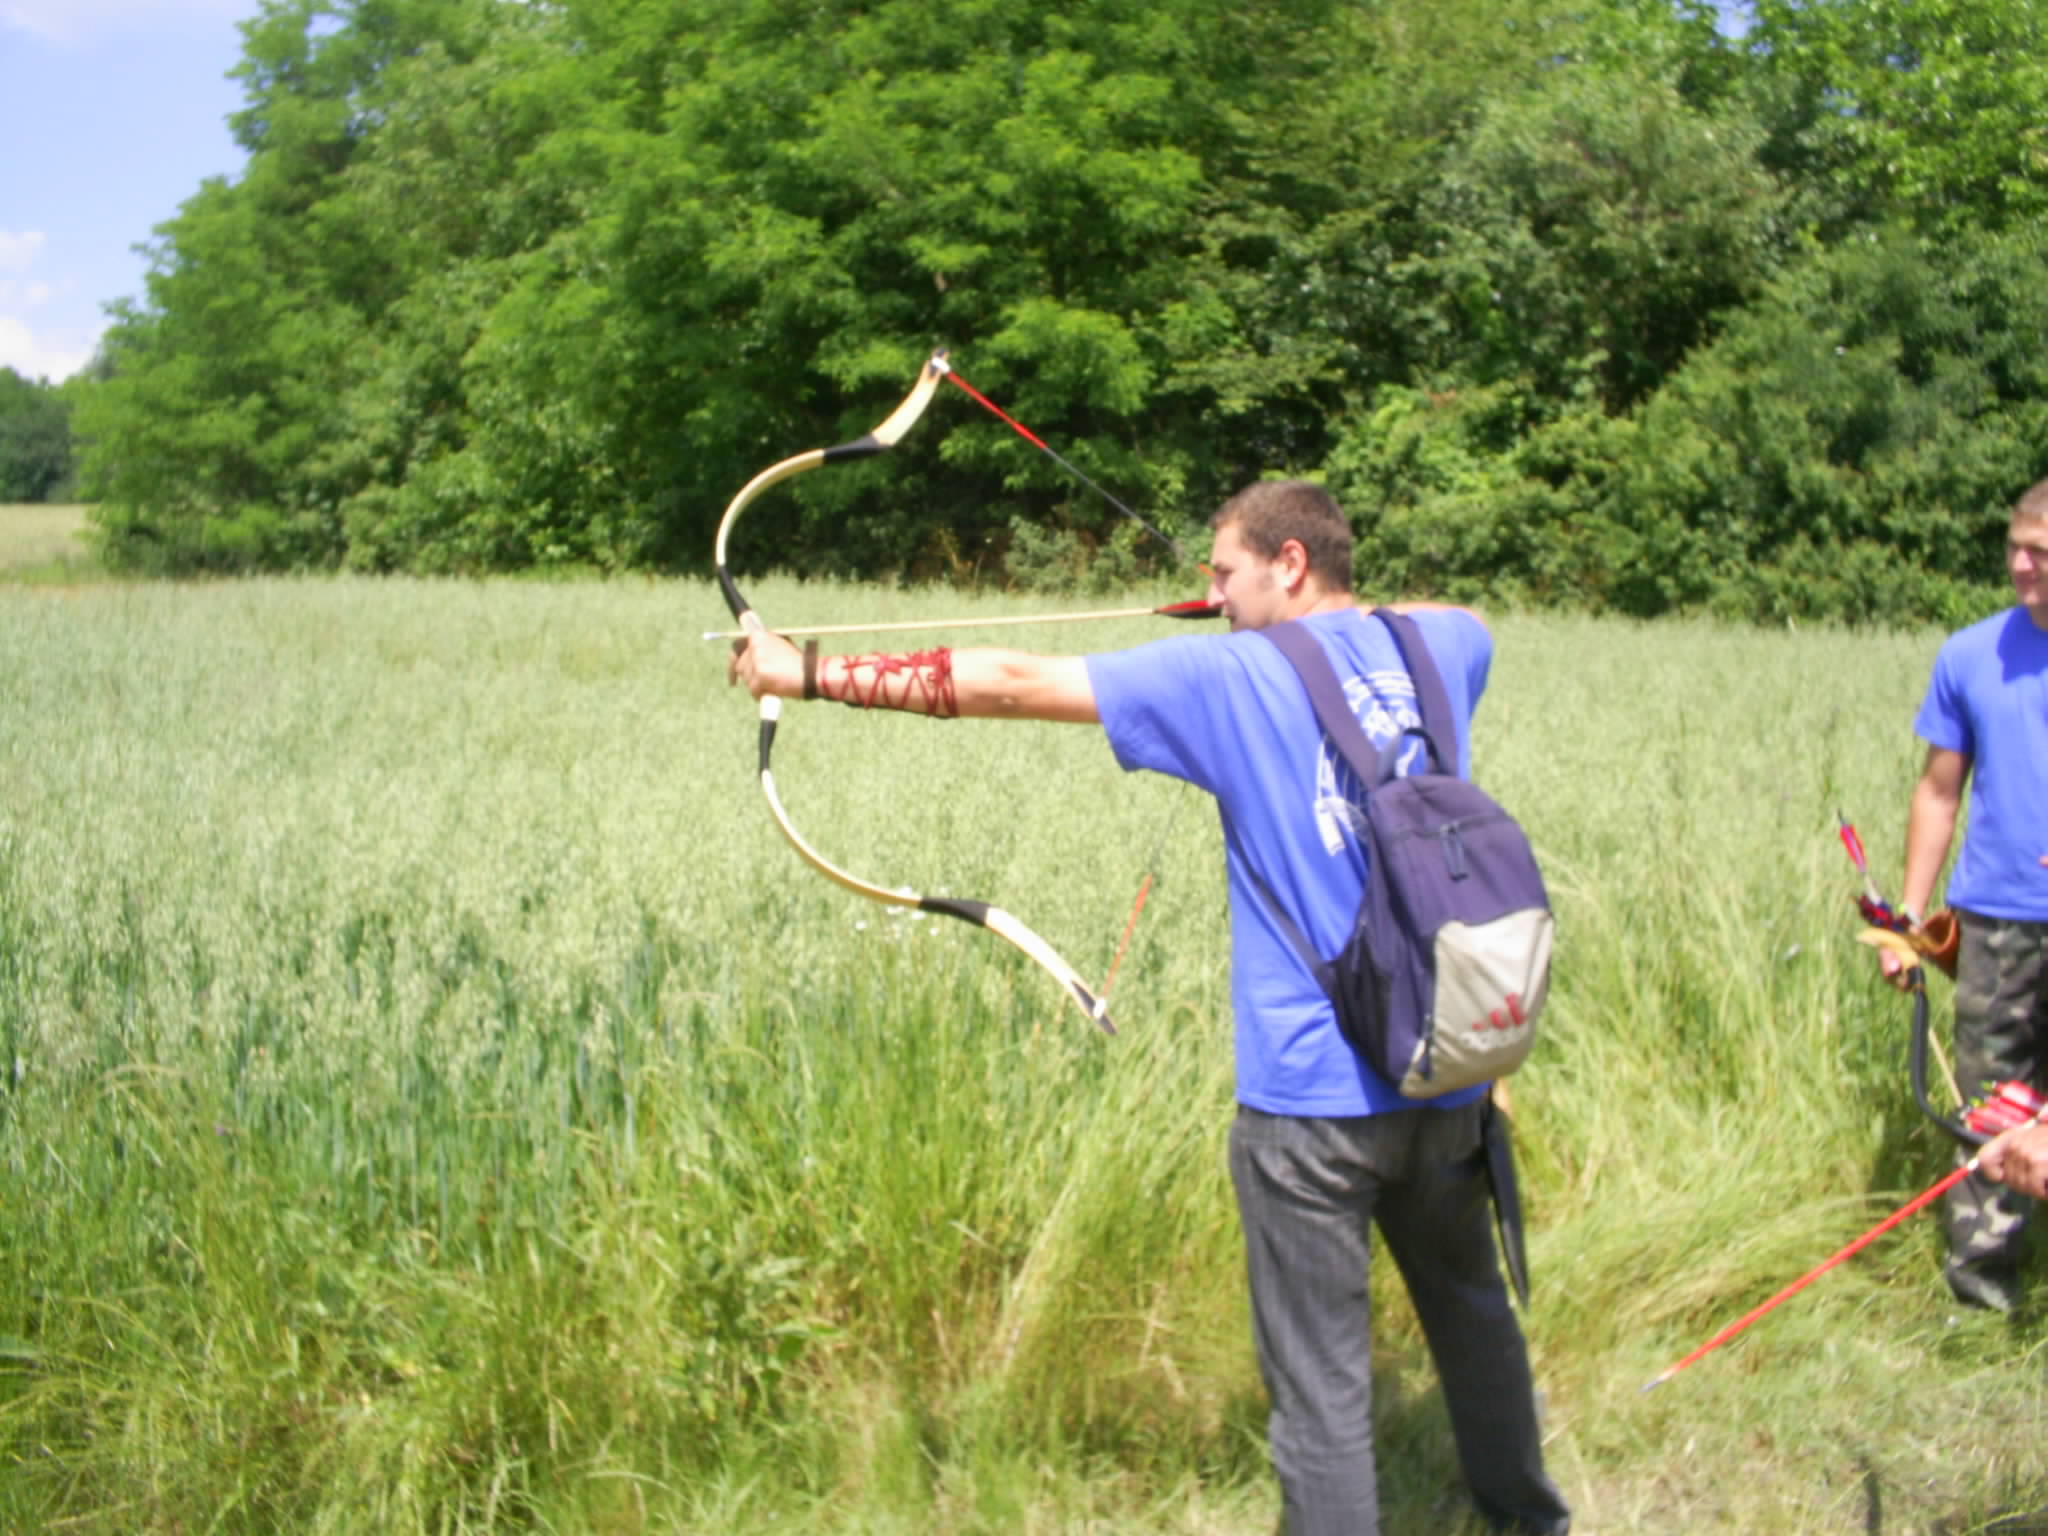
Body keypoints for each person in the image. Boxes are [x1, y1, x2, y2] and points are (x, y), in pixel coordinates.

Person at [731, 480, 1569, 1535]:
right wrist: (1342, 619)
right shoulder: (1438, 648)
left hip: (1310, 1111)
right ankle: (1531, 1523)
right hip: (1445, 1070)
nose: (1212, 597)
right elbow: (1465, 616)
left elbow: (1009, 683)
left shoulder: (1229, 676)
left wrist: (801, 673)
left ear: (1290, 564)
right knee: (1473, 1316)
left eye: (1224, 574)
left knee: (1320, 1390)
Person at [1876, 478, 2048, 1312]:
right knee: (1992, 1103)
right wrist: (1907, 921)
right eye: (2015, 547)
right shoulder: (1970, 654)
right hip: (1996, 920)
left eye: (2039, 552)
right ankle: (1982, 1286)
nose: (2020, 565)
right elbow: (1938, 792)